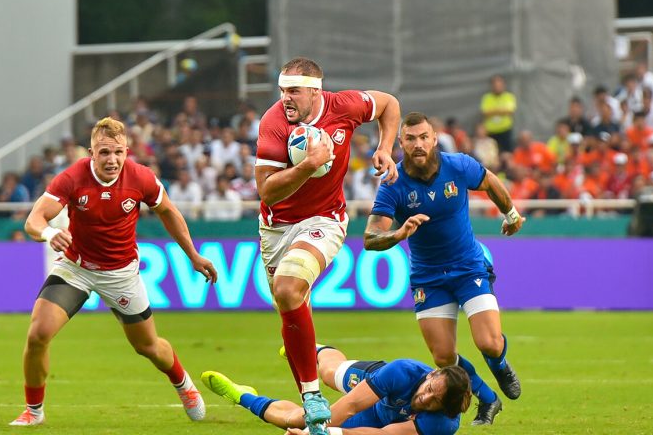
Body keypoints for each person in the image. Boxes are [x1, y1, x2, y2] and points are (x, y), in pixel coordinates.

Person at [10, 117, 218, 426]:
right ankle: (34, 412)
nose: (113, 160)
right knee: (38, 334)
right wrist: (49, 234)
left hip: (120, 273)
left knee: (147, 346)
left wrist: (193, 255)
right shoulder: (71, 178)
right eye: (104, 152)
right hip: (76, 267)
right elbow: (34, 220)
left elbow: (169, 213)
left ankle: (183, 384)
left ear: (127, 151)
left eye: (118, 152)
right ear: (91, 153)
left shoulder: (141, 178)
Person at [254, 57, 400, 434]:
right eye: (282, 90)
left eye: (294, 91)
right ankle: (311, 400)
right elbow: (267, 192)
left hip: (325, 220)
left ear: (315, 91)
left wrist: (386, 147)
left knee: (288, 289)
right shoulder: (273, 123)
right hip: (276, 228)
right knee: (291, 305)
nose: (285, 98)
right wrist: (308, 165)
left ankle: (314, 397)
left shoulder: (343, 106)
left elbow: (388, 104)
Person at [364, 112, 524, 425]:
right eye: (410, 139)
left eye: (424, 137)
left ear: (435, 139)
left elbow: (490, 181)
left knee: (488, 343)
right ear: (401, 143)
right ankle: (488, 398)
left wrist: (512, 214)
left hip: (468, 267)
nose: (418, 144)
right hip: (428, 277)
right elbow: (371, 237)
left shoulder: (458, 165)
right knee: (443, 358)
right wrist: (398, 234)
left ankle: (500, 365)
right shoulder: (393, 185)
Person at [201, 344, 472, 435]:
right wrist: (314, 433)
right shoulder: (402, 371)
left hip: (383, 421)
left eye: (434, 401)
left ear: (443, 408)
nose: (425, 398)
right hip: (375, 384)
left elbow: (383, 434)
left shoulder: (444, 423)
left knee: (297, 419)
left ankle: (241, 395)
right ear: (432, 374)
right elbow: (351, 405)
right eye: (429, 388)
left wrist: (320, 432)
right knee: (329, 373)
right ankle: (313, 349)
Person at [479, 74, 517, 153]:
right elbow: (485, 112)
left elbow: (510, 110)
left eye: (499, 85)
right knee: (493, 153)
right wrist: (501, 110)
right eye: (495, 85)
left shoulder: (509, 96)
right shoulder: (487, 97)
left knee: (507, 152)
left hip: (505, 130)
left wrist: (493, 110)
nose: (497, 87)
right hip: (491, 131)